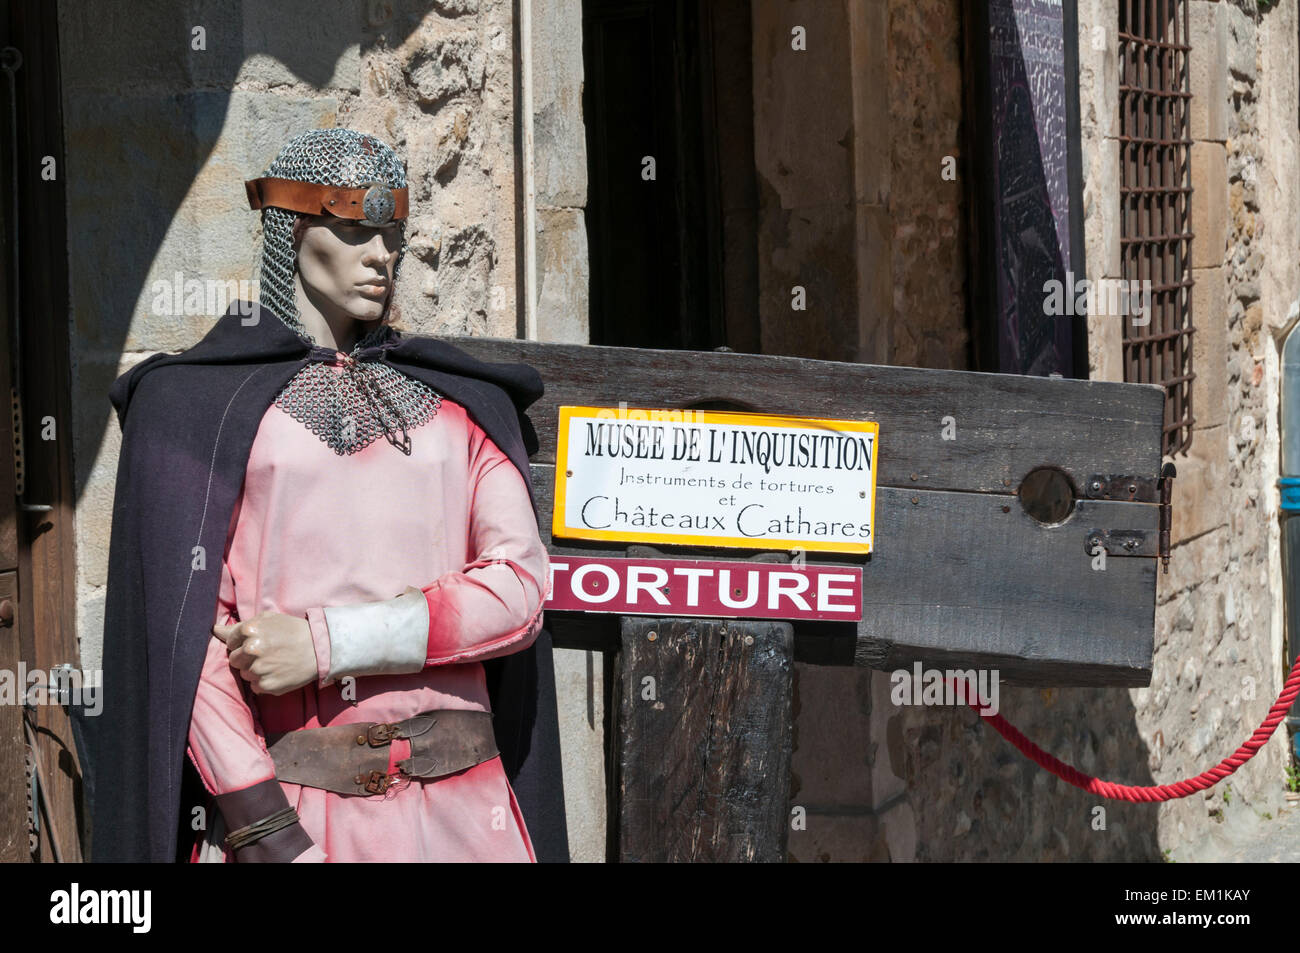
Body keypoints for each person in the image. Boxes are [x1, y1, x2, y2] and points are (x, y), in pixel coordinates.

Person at [73, 128, 569, 862]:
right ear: (291, 227)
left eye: (391, 230)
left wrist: (324, 642)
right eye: (352, 226)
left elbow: (522, 589)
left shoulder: (460, 406)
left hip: (471, 822)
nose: (381, 253)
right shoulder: (191, 409)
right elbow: (189, 651)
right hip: (302, 823)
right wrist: (272, 837)